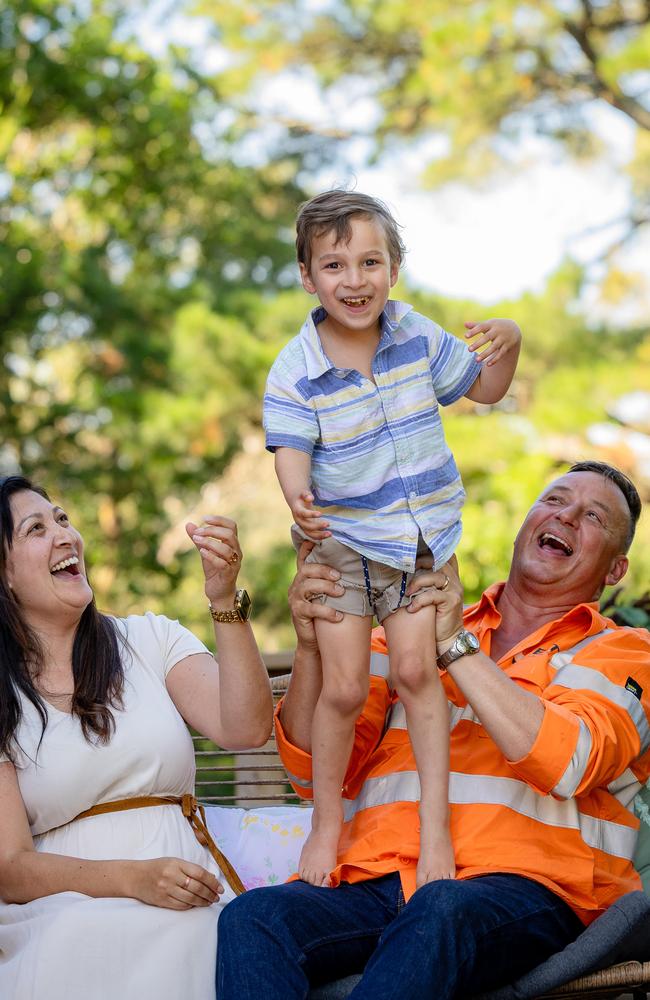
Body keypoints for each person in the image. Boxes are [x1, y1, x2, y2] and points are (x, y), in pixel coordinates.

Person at [217, 461, 650, 1000]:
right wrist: (310, 645)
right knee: (256, 917)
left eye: (593, 517)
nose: (566, 515)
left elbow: (569, 762)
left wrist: (454, 647)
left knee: (440, 909)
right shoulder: (409, 624)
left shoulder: (622, 652)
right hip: (378, 881)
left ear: (615, 569)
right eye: (555, 500)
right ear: (526, 524)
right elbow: (309, 769)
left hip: (533, 889)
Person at [263, 189, 522, 886]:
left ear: (394, 268)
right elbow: (288, 447)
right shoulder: (296, 367)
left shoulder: (416, 336)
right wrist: (299, 499)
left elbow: (486, 390)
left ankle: (434, 833)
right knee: (345, 688)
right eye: (335, 265)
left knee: (415, 673)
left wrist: (512, 342)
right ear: (308, 276)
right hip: (343, 542)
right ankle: (327, 825)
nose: (355, 280)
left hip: (420, 542)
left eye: (370, 261)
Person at [0, 474, 273, 1000]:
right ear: (4, 576)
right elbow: (10, 868)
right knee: (83, 941)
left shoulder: (150, 638)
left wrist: (223, 600)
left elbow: (245, 727)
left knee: (202, 934)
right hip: (59, 905)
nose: (65, 535)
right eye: (36, 529)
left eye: (62, 518)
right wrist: (133, 879)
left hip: (183, 890)